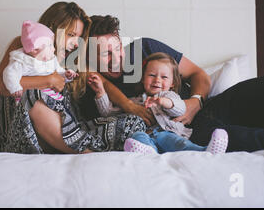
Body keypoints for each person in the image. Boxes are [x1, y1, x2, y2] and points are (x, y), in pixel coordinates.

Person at [81, 15, 264, 152]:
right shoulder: (90, 85)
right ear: (89, 57)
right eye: (105, 55)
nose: (117, 59)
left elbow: (199, 75)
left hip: (207, 108)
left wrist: (195, 101)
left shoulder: (145, 49)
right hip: (184, 135)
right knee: (236, 137)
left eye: (118, 48)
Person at [0, 2, 147, 154]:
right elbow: (1, 86)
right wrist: (50, 80)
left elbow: (103, 82)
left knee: (133, 122)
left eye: (78, 37)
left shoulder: (70, 57)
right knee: (34, 95)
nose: (75, 43)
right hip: (26, 133)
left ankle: (80, 146)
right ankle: (86, 153)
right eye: (71, 35)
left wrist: (129, 106)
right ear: (53, 28)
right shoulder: (25, 47)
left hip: (71, 130)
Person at [88, 52, 228, 155]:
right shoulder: (135, 101)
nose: (157, 80)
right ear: (143, 79)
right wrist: (100, 92)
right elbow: (109, 112)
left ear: (172, 83)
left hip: (166, 133)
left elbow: (180, 109)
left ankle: (205, 153)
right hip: (145, 134)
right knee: (137, 137)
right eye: (151, 75)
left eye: (164, 77)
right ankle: (149, 152)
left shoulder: (170, 96)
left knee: (179, 143)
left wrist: (163, 102)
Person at [3, 20, 78, 102]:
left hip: (51, 97)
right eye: (50, 45)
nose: (54, 49)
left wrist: (67, 74)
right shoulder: (22, 62)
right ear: (35, 50)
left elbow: (59, 72)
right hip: (31, 99)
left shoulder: (52, 60)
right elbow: (10, 73)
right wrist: (15, 88)